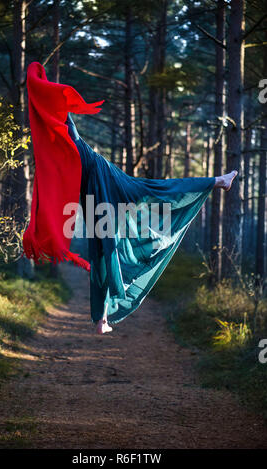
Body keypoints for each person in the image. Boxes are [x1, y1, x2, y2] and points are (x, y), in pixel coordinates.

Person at [66, 114, 238, 335]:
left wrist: (53, 96)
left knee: (106, 250)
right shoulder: (75, 156)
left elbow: (67, 124)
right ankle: (102, 319)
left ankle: (102, 319)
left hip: (102, 191)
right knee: (108, 249)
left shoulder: (74, 152)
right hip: (103, 192)